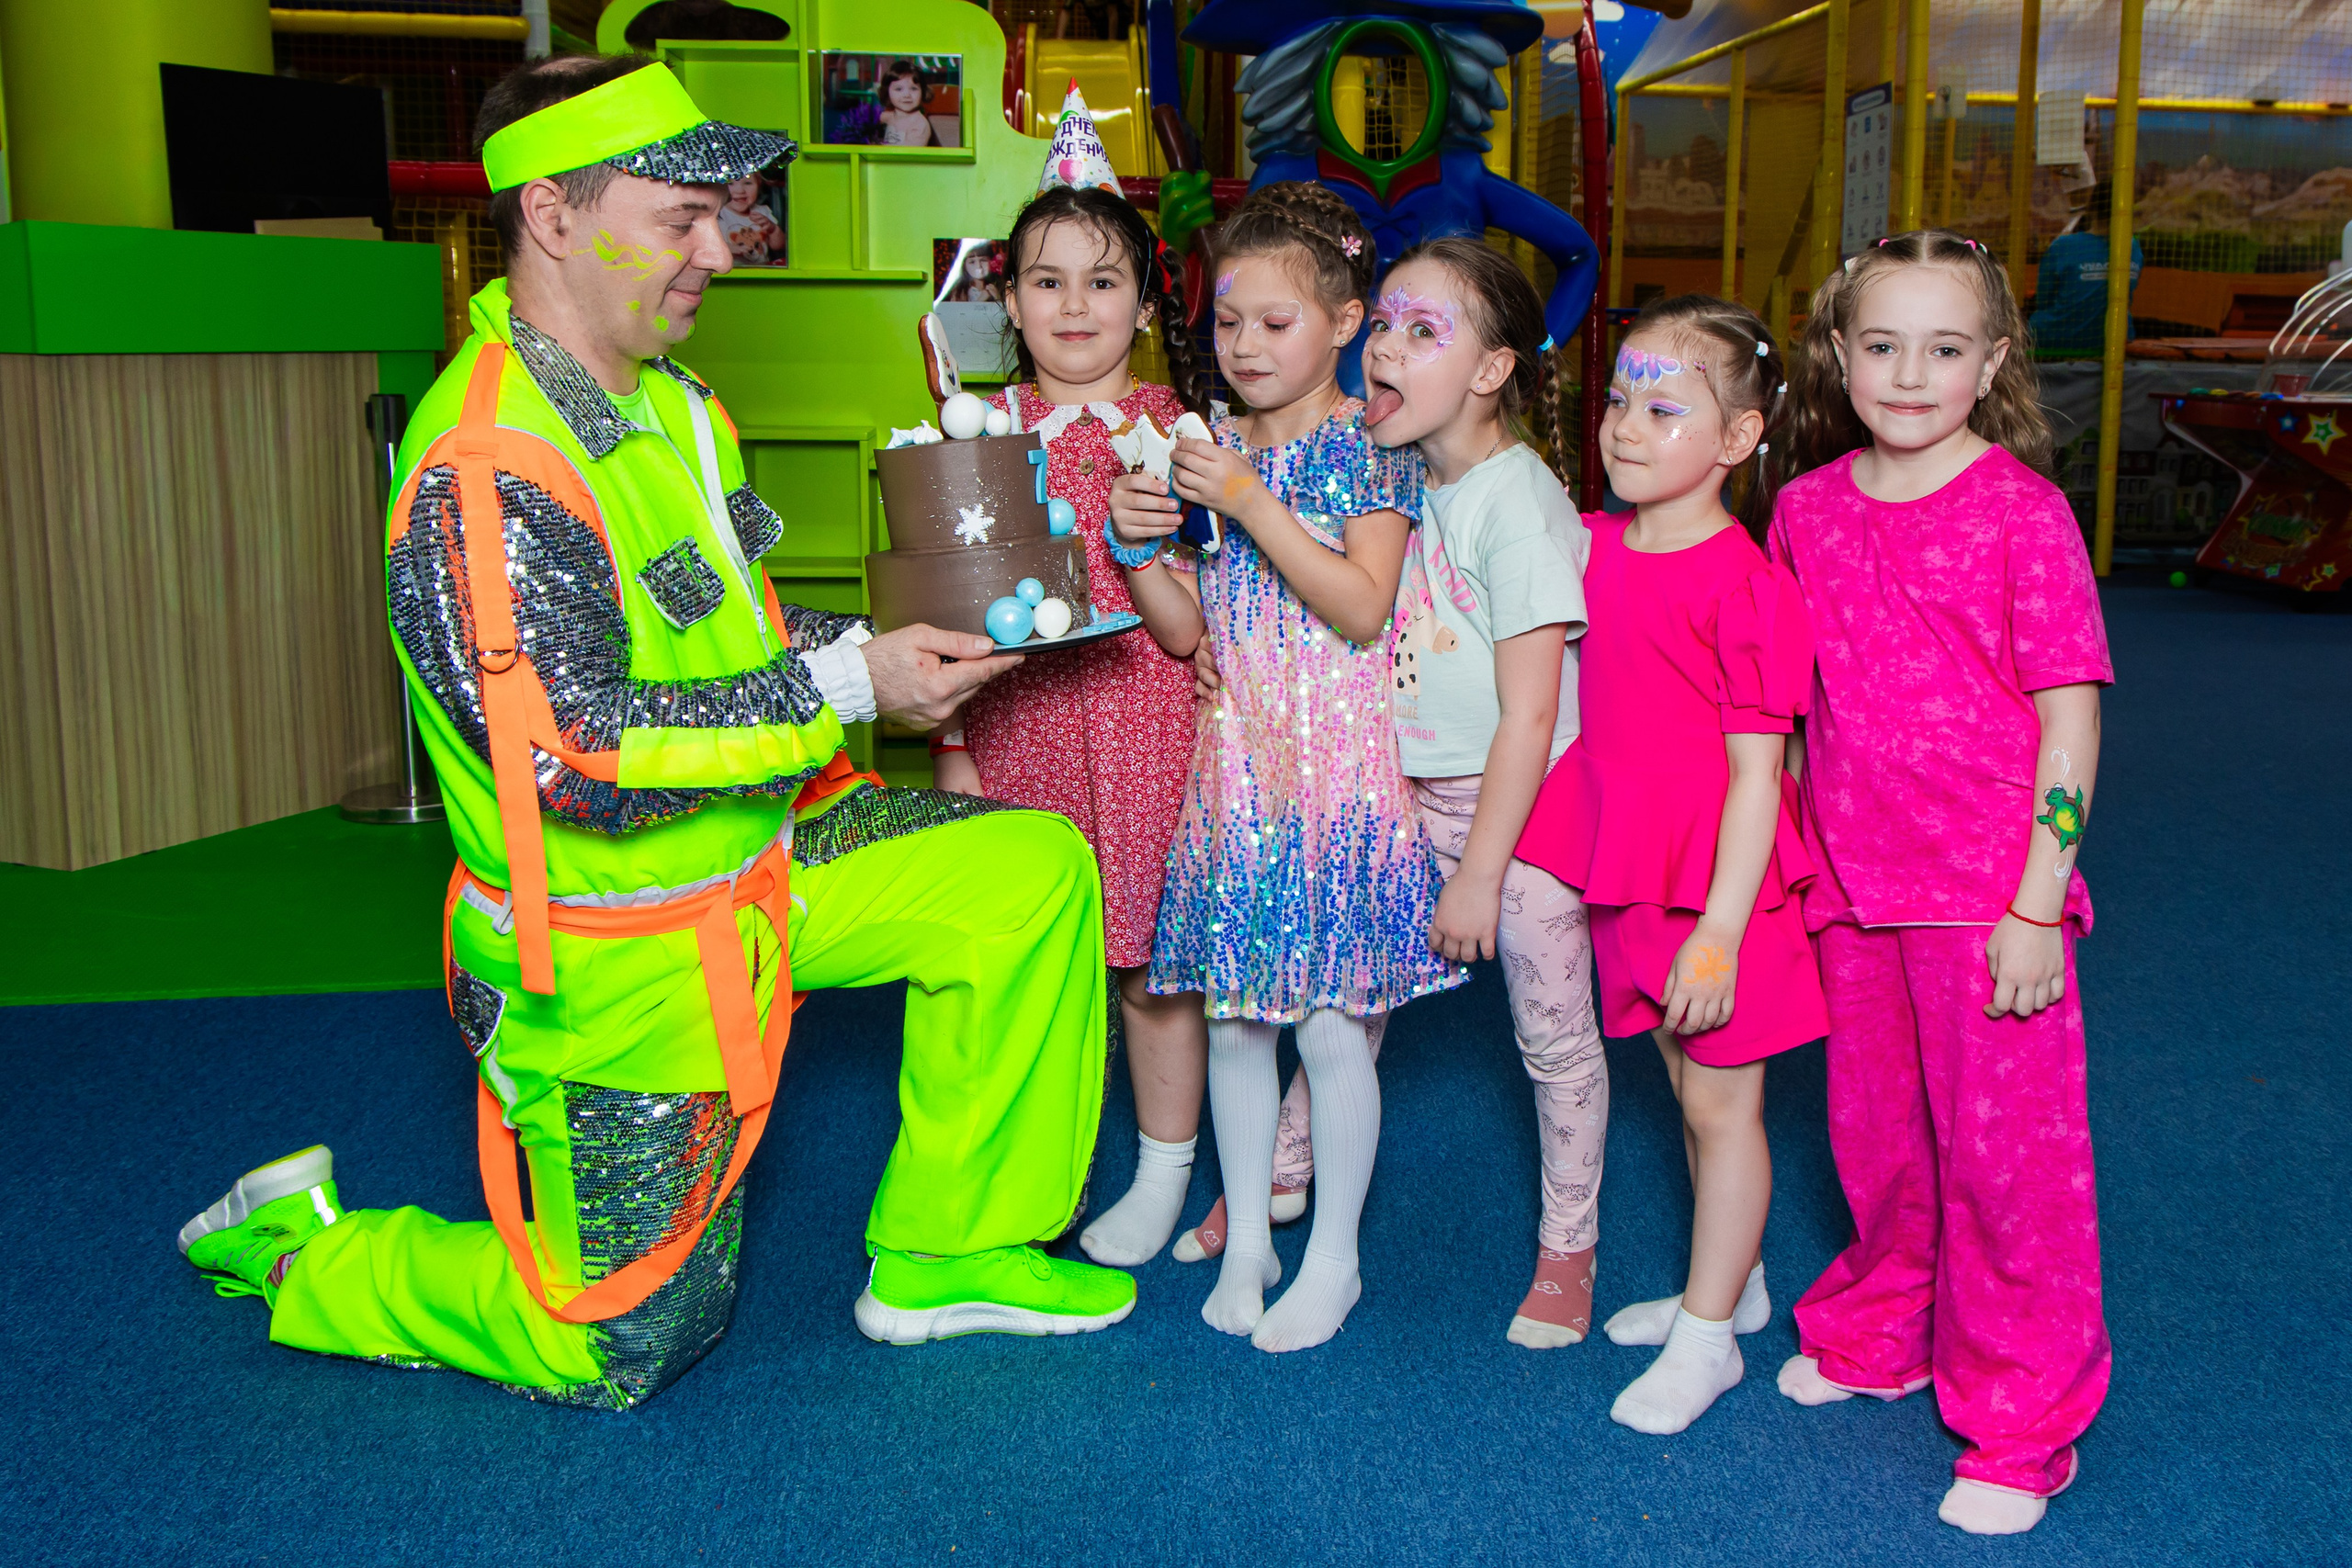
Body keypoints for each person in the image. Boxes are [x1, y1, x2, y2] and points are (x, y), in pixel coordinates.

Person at [173, 56, 1136, 1411]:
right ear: (554, 215)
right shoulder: (487, 465)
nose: (720, 247)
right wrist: (853, 684)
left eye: (720, 213)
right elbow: (575, 752)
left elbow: (733, 629)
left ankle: (952, 1245)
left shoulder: (677, 402)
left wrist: (888, 651)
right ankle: (307, 1254)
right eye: (679, 215)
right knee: (626, 1344)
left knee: (1025, 870)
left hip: (764, 854)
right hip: (621, 949)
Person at [1770, 230, 2112, 1538]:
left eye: (1946, 347)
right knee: (1878, 1138)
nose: (1911, 373)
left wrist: (2038, 897)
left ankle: (2026, 1416)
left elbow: (2069, 720)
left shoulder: (2024, 512)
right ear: (1840, 355)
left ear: (1993, 361)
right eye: (1882, 343)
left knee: (2008, 1165)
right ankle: (1881, 1324)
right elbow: (1796, 708)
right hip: (1854, 887)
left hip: (1987, 898)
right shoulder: (1806, 509)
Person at [1113, 182, 1466, 1351]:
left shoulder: (1367, 450)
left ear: (1345, 322)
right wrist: (1138, 546)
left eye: (1276, 322)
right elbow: (1183, 630)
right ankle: (1254, 1241)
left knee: (1326, 1023)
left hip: (1338, 777)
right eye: (1227, 323)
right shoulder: (1208, 448)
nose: (1247, 345)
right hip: (1240, 774)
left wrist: (1248, 498)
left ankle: (1335, 1259)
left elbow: (1362, 605)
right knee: (1231, 1023)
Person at [1514, 294, 1826, 1434]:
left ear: (1739, 440)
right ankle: (1732, 1288)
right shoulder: (1590, 548)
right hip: (1622, 860)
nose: (1625, 427)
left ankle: (1709, 1343)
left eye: (1663, 408)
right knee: (1684, 1090)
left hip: (1719, 888)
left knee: (1724, 1108)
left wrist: (1723, 931)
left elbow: (1758, 776)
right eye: (1616, 401)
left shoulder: (1749, 591)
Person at [930, 172, 1216, 1269]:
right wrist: (952, 750)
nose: (1073, 305)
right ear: (1007, 301)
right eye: (1046, 281)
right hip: (1018, 730)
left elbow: (1191, 630)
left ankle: (1161, 1172)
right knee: (1029, 973)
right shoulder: (976, 432)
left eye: (1103, 281)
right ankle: (1028, 1172)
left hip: (1148, 727)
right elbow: (947, 624)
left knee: (1146, 969)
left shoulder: (1180, 433)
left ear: (1146, 303)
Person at [1355, 236, 1609, 1348]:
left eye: (1422, 333)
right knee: (1343, 995)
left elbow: (1532, 714)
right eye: (1382, 325)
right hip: (1410, 796)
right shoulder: (1407, 481)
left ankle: (1569, 1247)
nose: (1384, 349)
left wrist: (1479, 874)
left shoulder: (1519, 506)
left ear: (1492, 371)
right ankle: (1285, 1175)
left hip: (1521, 816)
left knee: (1553, 1039)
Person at [2028, 180, 2140, 356]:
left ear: (2091, 209)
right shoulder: (2132, 247)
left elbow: (2044, 299)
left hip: (2056, 339)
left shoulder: (2064, 246)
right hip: (2114, 342)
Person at [719, 175, 782, 265]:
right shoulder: (717, 213)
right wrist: (727, 248)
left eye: (748, 183)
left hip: (761, 272)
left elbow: (779, 246)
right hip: (731, 274)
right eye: (730, 183)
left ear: (759, 185)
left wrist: (773, 229)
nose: (740, 190)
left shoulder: (763, 211)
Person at [876, 60, 935, 148]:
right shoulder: (889, 116)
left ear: (923, 92)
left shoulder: (920, 125)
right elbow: (868, 119)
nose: (907, 95)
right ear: (887, 92)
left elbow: (909, 156)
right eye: (899, 89)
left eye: (914, 89)